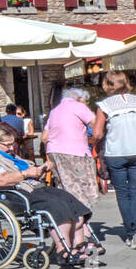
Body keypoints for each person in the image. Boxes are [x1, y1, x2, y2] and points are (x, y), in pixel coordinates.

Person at [0, 126, 94, 265]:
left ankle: (78, 245)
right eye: (8, 145)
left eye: (12, 144)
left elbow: (29, 173)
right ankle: (62, 249)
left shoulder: (9, 156)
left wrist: (42, 169)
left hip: (32, 187)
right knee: (56, 206)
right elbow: (1, 180)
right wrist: (26, 174)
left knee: (69, 200)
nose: (11, 148)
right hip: (12, 194)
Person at [92, 72, 136, 249]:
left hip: (116, 153)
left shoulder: (105, 105)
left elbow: (97, 133)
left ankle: (131, 234)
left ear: (108, 85)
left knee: (122, 192)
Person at [43, 87, 99, 216]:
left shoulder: (54, 111)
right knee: (80, 190)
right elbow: (96, 125)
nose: (87, 104)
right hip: (76, 153)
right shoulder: (79, 106)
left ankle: (70, 221)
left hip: (54, 153)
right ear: (79, 98)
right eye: (86, 101)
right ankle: (81, 224)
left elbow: (44, 137)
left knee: (64, 188)